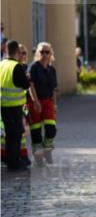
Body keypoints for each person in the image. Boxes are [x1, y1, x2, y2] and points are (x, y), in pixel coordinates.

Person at [0, 40, 31, 171]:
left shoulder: (1, 64)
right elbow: (25, 84)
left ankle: (11, 159)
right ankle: (13, 162)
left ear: (6, 50)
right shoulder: (16, 66)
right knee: (16, 135)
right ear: (17, 52)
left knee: (9, 133)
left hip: (3, 105)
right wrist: (27, 78)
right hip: (14, 106)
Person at [27, 42, 58, 164]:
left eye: (47, 52)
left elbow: (54, 89)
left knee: (51, 129)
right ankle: (38, 157)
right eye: (41, 52)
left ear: (51, 54)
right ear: (37, 53)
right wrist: (35, 101)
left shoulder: (52, 70)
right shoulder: (33, 67)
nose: (44, 54)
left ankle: (47, 150)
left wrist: (55, 104)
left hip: (48, 102)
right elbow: (31, 85)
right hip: (34, 102)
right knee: (36, 132)